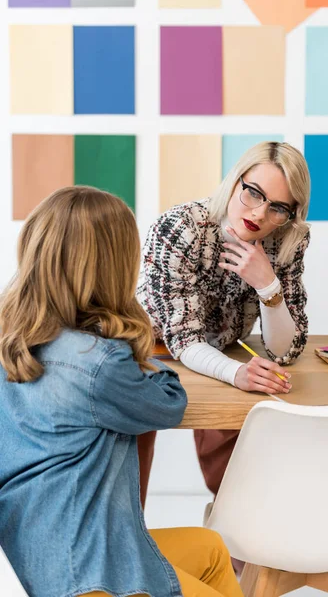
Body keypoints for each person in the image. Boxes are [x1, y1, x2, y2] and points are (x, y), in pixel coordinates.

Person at [0, 187, 244, 597]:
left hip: (47, 557)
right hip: (93, 575)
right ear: (111, 267)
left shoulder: (14, 338)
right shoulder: (98, 362)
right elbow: (167, 404)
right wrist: (135, 336)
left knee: (210, 549)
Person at [138, 141, 311, 501]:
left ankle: (248, 550)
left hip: (221, 350)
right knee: (128, 450)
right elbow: (183, 339)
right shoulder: (182, 227)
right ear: (236, 180)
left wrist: (268, 285)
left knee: (238, 474)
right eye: (253, 193)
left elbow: (286, 349)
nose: (260, 214)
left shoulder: (287, 239)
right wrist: (237, 373)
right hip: (144, 349)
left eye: (278, 207)